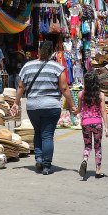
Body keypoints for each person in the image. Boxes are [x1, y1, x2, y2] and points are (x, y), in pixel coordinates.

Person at [11, 40, 78, 175]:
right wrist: (72, 105)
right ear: (52, 52)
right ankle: (46, 166)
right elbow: (64, 88)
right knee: (47, 135)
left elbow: (20, 87)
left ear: (39, 50)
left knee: (38, 131)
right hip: (51, 106)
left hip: (32, 107)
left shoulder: (27, 66)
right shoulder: (57, 67)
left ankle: (39, 158)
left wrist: (15, 104)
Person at [77, 69, 108, 179]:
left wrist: (74, 111)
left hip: (85, 123)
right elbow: (103, 111)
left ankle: (85, 159)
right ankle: (98, 171)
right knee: (97, 147)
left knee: (87, 146)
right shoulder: (101, 95)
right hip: (97, 124)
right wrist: (106, 127)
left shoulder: (81, 94)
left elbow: (79, 109)